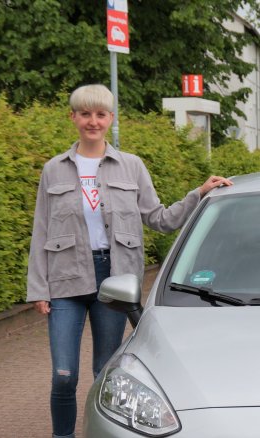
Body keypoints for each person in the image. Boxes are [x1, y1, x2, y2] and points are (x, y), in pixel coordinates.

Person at [26, 84, 232, 438]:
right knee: (63, 374)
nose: (93, 121)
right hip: (65, 277)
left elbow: (160, 219)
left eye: (100, 114)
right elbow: (41, 231)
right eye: (85, 114)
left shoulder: (131, 166)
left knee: (105, 371)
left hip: (115, 279)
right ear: (73, 117)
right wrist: (38, 289)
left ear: (111, 118)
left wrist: (198, 194)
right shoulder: (54, 170)